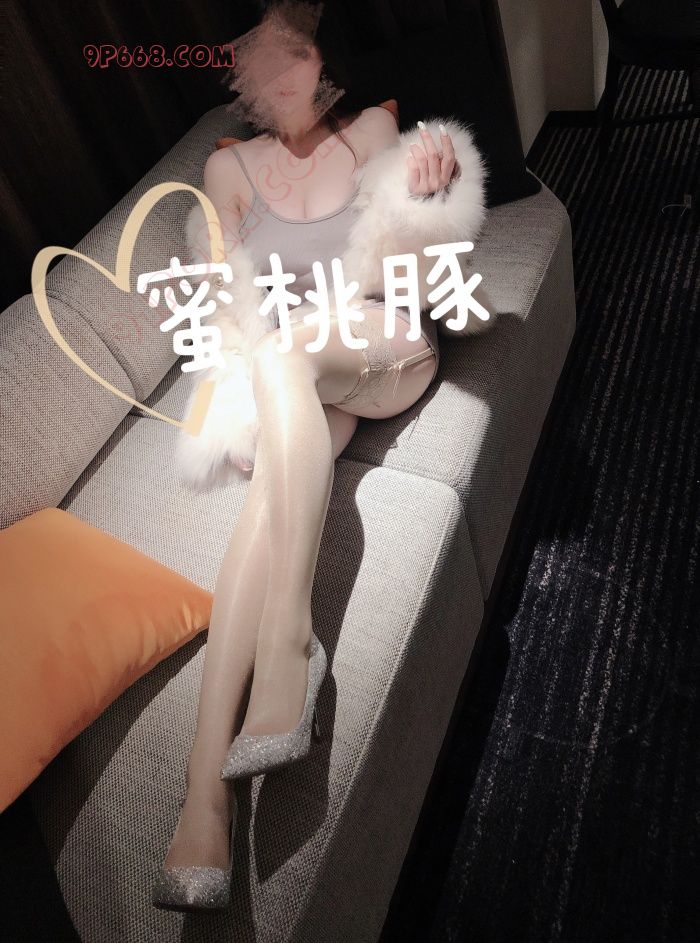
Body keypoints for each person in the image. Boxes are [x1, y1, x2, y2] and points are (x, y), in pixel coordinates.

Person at [153, 0, 492, 912]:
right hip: (294, 386)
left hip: (382, 351)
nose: (280, 75)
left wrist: (434, 176)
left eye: (295, 53)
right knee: (267, 504)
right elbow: (226, 309)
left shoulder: (371, 130)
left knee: (289, 352)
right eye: (259, 60)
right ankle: (201, 802)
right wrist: (239, 400)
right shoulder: (227, 170)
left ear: (324, 58)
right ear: (238, 76)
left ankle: (292, 641)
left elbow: (426, 243)